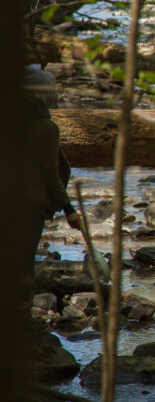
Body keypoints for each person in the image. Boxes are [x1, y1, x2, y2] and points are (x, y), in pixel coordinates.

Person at [20, 66, 82, 295]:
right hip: (29, 206)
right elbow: (50, 173)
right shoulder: (45, 127)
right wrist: (69, 210)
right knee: (24, 265)